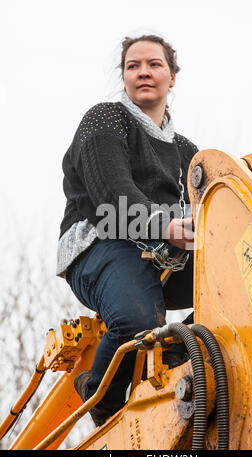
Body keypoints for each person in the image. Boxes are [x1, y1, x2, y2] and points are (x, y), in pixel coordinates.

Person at [56, 34, 198, 427]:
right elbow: (110, 200)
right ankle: (99, 395)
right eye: (133, 66)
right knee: (137, 321)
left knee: (236, 283)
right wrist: (166, 226)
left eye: (154, 64)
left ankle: (172, 351)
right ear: (124, 77)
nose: (143, 73)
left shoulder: (186, 150)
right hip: (100, 246)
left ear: (173, 76)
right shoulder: (104, 119)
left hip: (162, 253)